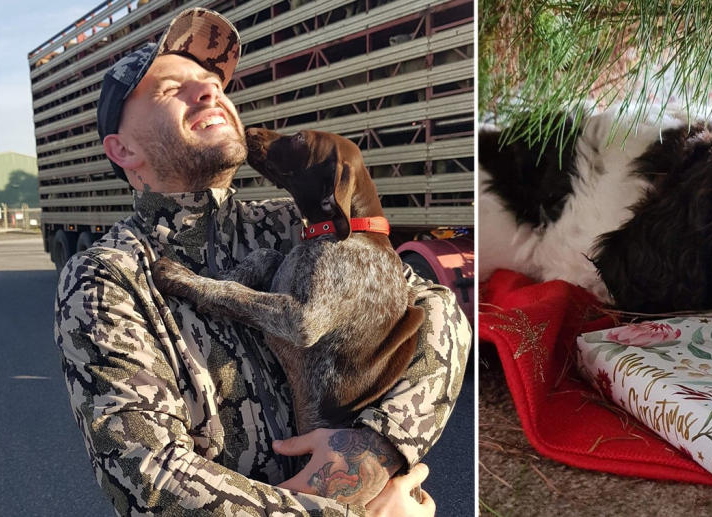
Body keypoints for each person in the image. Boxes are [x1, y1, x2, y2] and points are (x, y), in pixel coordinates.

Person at [54, 8, 471, 516]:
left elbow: (437, 310)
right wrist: (346, 512)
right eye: (170, 88)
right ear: (122, 150)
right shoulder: (108, 277)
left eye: (212, 82)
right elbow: (149, 474)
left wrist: (377, 447)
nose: (208, 91)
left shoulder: (290, 224)